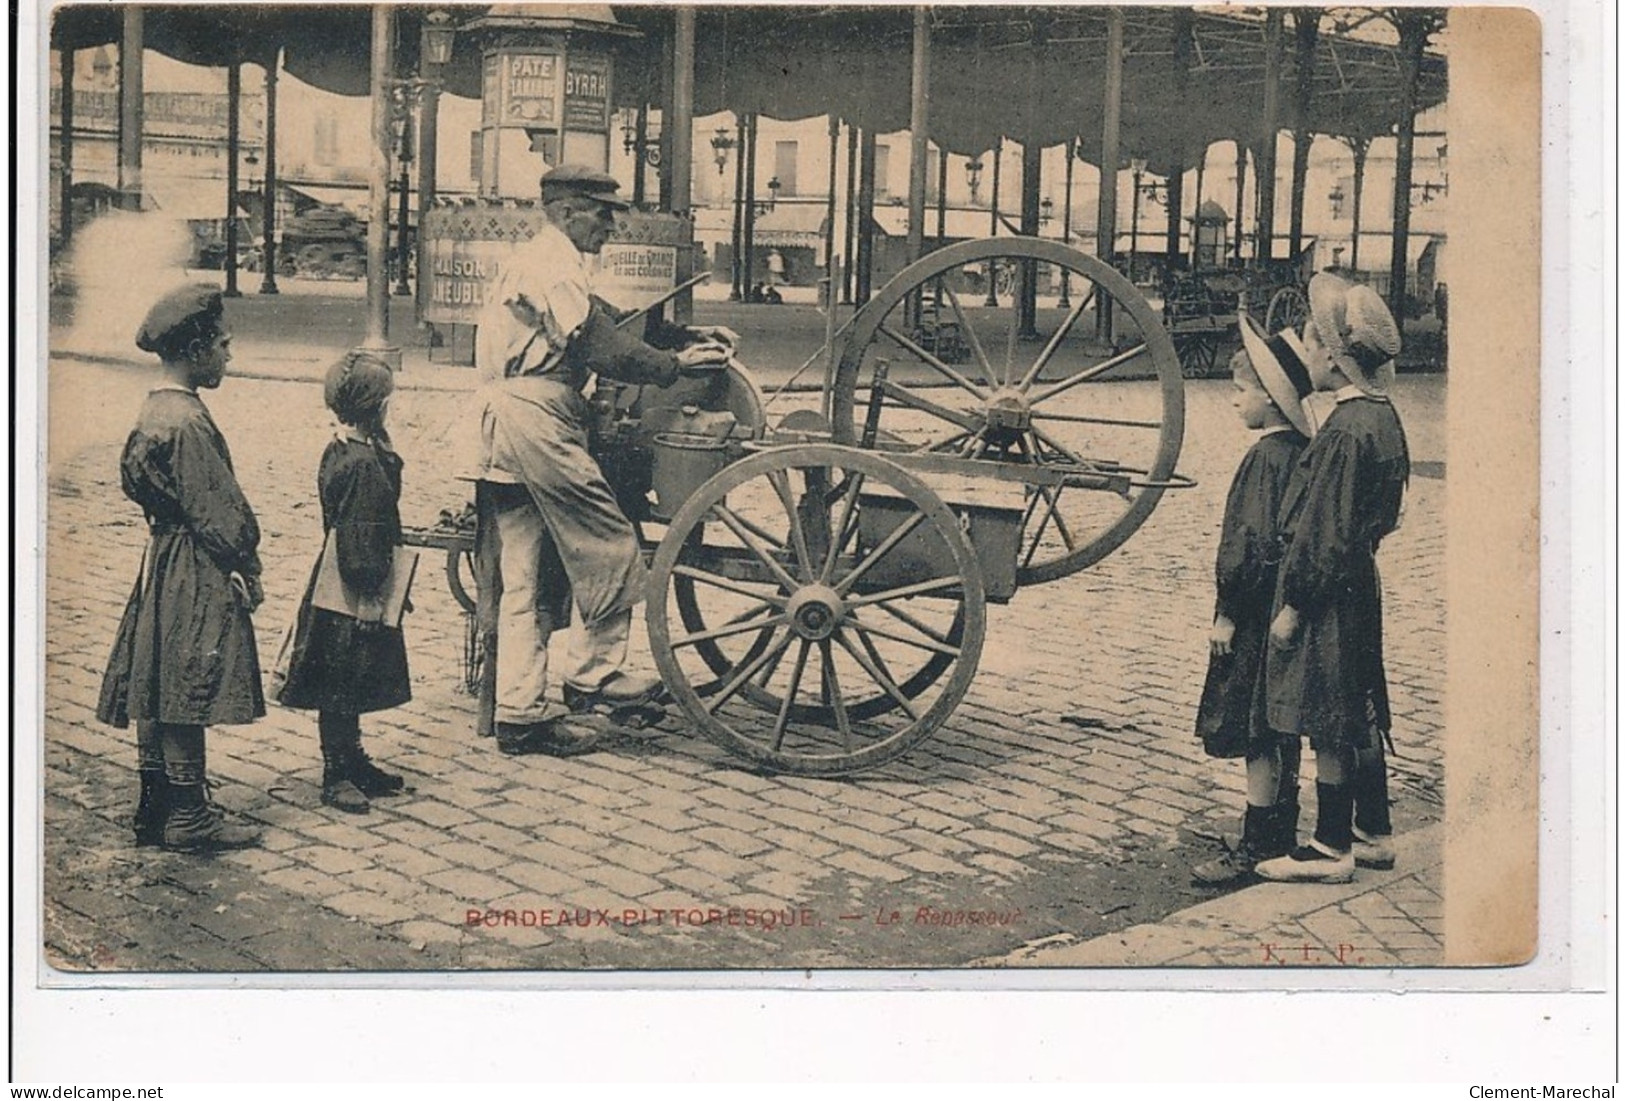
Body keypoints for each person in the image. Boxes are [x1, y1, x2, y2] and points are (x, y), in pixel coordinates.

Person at [465, 165, 732, 757]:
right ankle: (595, 678)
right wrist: (675, 368)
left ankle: (520, 713)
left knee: (526, 574)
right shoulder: (552, 261)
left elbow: (608, 320)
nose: (612, 225)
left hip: (510, 422)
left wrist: (677, 336)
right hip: (537, 420)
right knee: (610, 541)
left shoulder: (547, 260)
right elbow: (596, 344)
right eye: (602, 212)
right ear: (566, 212)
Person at [96, 285, 264, 853]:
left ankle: (158, 802)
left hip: (162, 558)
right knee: (187, 683)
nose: (228, 354)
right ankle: (190, 817)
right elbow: (219, 509)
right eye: (221, 344)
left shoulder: (153, 408)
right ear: (195, 350)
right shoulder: (190, 421)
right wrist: (245, 563)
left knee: (158, 676)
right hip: (195, 563)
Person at [1255, 273, 1409, 884]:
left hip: (1329, 595)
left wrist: (1293, 607)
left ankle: (1328, 849)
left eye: (1315, 345)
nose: (1309, 354)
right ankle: (1374, 832)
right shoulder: (1382, 416)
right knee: (1360, 703)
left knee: (1327, 715)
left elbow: (1325, 533)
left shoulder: (1344, 432)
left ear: (1337, 360)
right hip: (1359, 585)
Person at [1190, 321, 1316, 886]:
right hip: (1289, 610)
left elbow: (1245, 546)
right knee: (1282, 722)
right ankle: (1280, 833)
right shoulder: (1302, 452)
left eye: (1240, 391)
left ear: (1268, 399)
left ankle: (1256, 844)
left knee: (1254, 725)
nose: (1235, 400)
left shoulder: (1264, 459)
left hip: (1258, 611)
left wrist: (1227, 613)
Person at [274, 351, 412, 814]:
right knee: (339, 680)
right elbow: (359, 533)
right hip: (350, 584)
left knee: (351, 676)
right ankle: (336, 771)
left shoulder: (348, 449)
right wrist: (371, 595)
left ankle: (353, 759)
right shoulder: (361, 466)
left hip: (340, 574)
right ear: (377, 407)